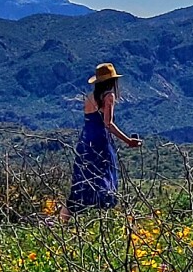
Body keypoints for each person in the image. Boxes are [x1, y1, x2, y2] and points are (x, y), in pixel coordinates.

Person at [60, 62, 141, 220]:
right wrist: (128, 141)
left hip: (85, 140)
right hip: (100, 141)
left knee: (82, 179)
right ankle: (103, 218)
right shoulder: (108, 96)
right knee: (103, 177)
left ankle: (64, 220)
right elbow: (108, 123)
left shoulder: (90, 98)